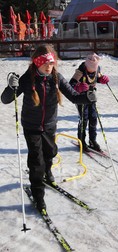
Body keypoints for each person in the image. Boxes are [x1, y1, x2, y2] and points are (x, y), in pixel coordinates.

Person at [1, 44, 97, 212]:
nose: (48, 66)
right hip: (31, 125)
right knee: (36, 161)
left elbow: (74, 97)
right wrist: (11, 87)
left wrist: (87, 97)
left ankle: (47, 172)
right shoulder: (28, 78)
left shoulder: (56, 77)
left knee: (50, 152)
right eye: (44, 62)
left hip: (50, 124)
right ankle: (39, 195)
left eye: (51, 62)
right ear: (37, 62)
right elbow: (6, 99)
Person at [69, 53, 109, 152]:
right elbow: (71, 84)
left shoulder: (97, 69)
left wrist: (102, 79)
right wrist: (78, 87)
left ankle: (92, 140)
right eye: (91, 69)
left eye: (94, 69)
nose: (93, 71)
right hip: (81, 97)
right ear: (87, 66)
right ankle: (81, 141)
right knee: (84, 119)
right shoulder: (81, 70)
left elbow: (98, 77)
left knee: (93, 118)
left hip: (91, 96)